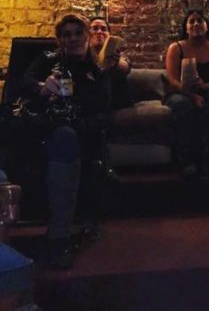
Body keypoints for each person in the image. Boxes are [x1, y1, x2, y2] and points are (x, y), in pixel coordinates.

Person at [21, 14, 111, 269]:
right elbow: (25, 81)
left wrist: (77, 117)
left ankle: (58, 237)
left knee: (67, 137)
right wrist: (42, 87)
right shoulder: (48, 59)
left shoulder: (96, 71)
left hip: (78, 135)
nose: (73, 39)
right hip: (43, 129)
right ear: (59, 40)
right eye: (66, 34)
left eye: (78, 33)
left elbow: (104, 111)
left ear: (87, 36)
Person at [165, 10, 209, 176]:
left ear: (207, 26)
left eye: (200, 20)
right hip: (181, 92)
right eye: (191, 21)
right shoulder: (176, 48)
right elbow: (172, 80)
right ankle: (187, 160)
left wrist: (205, 86)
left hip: (208, 90)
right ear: (186, 28)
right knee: (181, 103)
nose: (196, 24)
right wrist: (193, 96)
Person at [89, 16, 132, 109]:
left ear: (109, 35)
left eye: (104, 29)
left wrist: (114, 60)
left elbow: (126, 67)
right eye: (95, 28)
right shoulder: (84, 55)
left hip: (116, 103)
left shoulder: (118, 55)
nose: (99, 32)